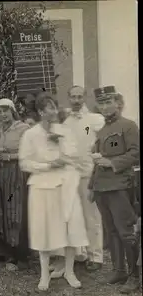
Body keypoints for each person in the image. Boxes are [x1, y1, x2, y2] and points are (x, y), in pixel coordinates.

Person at [19, 92, 89, 291]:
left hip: (65, 184)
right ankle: (44, 274)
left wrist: (60, 144)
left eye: (55, 107)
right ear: (41, 112)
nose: (54, 111)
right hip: (42, 186)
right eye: (49, 107)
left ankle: (69, 271)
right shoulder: (30, 134)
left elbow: (74, 155)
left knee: (70, 228)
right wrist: (48, 165)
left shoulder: (64, 131)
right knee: (44, 229)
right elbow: (24, 163)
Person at [50, 86, 106, 277]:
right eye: (72, 96)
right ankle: (80, 254)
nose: (76, 100)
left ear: (84, 98)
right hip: (70, 175)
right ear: (69, 98)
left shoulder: (94, 120)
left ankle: (96, 256)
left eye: (79, 96)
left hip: (88, 173)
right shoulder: (65, 121)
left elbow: (103, 140)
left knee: (92, 216)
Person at [89, 86, 140, 294]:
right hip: (102, 188)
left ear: (118, 103)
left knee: (126, 231)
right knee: (111, 232)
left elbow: (136, 153)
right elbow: (96, 162)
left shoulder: (128, 125)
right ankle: (119, 271)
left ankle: (135, 276)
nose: (105, 106)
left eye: (109, 101)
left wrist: (112, 163)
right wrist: (92, 186)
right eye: (101, 103)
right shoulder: (101, 130)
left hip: (120, 186)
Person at [0, 98, 31, 270]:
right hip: (3, 173)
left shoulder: (23, 128)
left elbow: (29, 152)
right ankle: (9, 252)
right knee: (4, 211)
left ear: (12, 110)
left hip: (17, 172)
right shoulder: (1, 129)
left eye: (5, 111)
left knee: (16, 210)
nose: (2, 115)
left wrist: (9, 156)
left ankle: (21, 254)